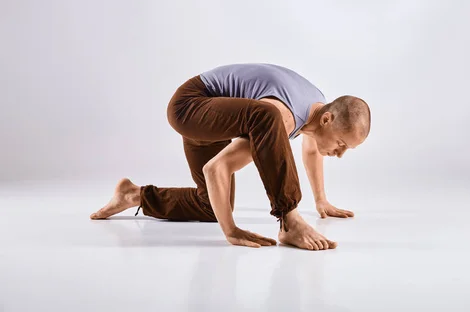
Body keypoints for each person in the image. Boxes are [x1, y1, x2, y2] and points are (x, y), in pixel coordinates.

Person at [90, 63, 371, 250]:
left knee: (211, 204)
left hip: (212, 115)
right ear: (327, 120)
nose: (340, 154)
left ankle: (133, 195)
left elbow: (311, 147)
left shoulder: (316, 107)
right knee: (267, 117)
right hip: (190, 104)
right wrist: (232, 231)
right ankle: (289, 220)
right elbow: (216, 168)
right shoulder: (281, 117)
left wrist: (321, 200)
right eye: (341, 144)